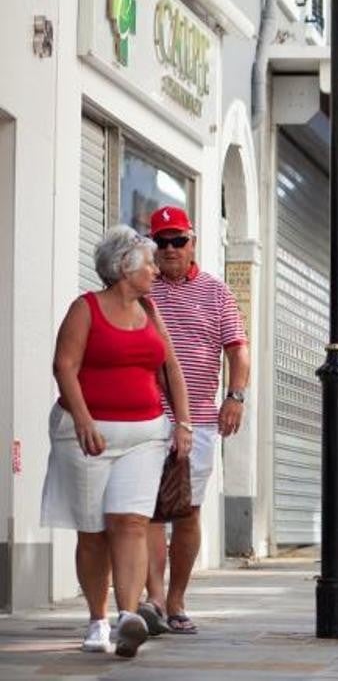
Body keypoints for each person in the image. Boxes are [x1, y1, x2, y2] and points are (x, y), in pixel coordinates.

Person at [41, 225, 192, 658]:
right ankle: (97, 620)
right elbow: (64, 366)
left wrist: (182, 423)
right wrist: (84, 420)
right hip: (88, 435)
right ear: (124, 267)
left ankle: (128, 617)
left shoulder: (149, 307)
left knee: (131, 523)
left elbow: (170, 368)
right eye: (148, 263)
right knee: (93, 532)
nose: (155, 270)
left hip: (145, 435)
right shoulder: (85, 309)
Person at [140, 207, 249, 636]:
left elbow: (237, 349)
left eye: (178, 240)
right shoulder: (141, 287)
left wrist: (235, 397)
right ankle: (152, 601)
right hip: (145, 416)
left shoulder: (217, 292)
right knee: (148, 512)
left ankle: (176, 600)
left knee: (186, 512)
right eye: (161, 241)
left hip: (199, 420)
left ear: (193, 243)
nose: (170, 249)